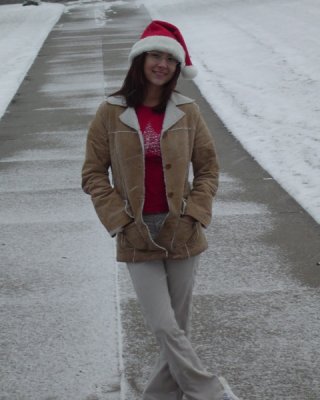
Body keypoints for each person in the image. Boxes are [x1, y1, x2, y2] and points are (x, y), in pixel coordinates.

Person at [82, 20, 241, 400]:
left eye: (170, 58)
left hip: (181, 232)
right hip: (137, 233)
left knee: (177, 330)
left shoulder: (187, 110)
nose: (162, 64)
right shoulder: (110, 112)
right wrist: (119, 220)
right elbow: (92, 173)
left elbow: (208, 168)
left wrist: (194, 215)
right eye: (156, 55)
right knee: (164, 326)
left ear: (176, 67)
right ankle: (211, 393)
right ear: (141, 59)